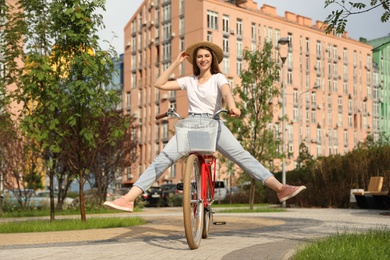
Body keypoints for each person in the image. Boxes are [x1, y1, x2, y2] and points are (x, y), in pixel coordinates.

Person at [103, 41, 306, 212]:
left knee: (242, 156)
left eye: (206, 56)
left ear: (212, 59)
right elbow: (159, 84)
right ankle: (129, 199)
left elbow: (226, 94)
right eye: (199, 56)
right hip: (190, 125)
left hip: (214, 124)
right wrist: (176, 63)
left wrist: (233, 107)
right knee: (163, 159)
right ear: (195, 60)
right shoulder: (189, 81)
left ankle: (280, 188)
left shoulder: (218, 78)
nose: (202, 59)